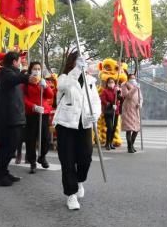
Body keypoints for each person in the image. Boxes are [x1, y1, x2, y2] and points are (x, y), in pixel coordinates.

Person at [53, 51, 101, 210]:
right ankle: (71, 194)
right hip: (66, 124)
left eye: (84, 61)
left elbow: (95, 101)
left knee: (85, 158)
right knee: (67, 159)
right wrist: (76, 71)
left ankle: (80, 181)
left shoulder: (91, 81)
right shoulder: (65, 77)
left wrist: (95, 115)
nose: (83, 63)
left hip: (84, 124)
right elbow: (63, 87)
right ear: (72, 62)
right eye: (79, 60)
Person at [0, 52, 36, 187]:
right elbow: (16, 79)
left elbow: (17, 78)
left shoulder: (9, 73)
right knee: (8, 147)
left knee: (6, 147)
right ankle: (0, 175)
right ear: (14, 61)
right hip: (8, 118)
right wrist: (27, 77)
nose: (21, 62)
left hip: (11, 117)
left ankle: (3, 172)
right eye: (20, 60)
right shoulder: (6, 74)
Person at [22, 61, 54, 173]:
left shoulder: (43, 81)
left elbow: (50, 95)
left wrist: (46, 87)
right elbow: (23, 99)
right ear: (30, 70)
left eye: (39, 69)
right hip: (31, 114)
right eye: (35, 69)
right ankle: (32, 161)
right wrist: (33, 107)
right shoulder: (25, 83)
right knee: (31, 139)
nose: (37, 71)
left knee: (45, 137)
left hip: (43, 113)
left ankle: (42, 156)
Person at [121, 73, 142, 153]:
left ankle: (131, 145)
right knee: (129, 129)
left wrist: (140, 103)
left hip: (136, 109)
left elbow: (141, 97)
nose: (133, 80)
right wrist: (135, 88)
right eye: (131, 78)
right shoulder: (124, 85)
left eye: (134, 78)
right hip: (128, 108)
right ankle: (129, 147)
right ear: (128, 79)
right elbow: (127, 96)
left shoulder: (137, 86)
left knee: (136, 129)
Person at [99, 77, 120, 151]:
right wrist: (111, 105)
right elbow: (103, 100)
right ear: (107, 83)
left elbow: (120, 98)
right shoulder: (105, 91)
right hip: (108, 112)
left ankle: (111, 142)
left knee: (114, 128)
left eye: (113, 82)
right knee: (110, 127)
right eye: (110, 82)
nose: (111, 83)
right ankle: (107, 143)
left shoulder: (116, 90)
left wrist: (118, 92)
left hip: (115, 112)